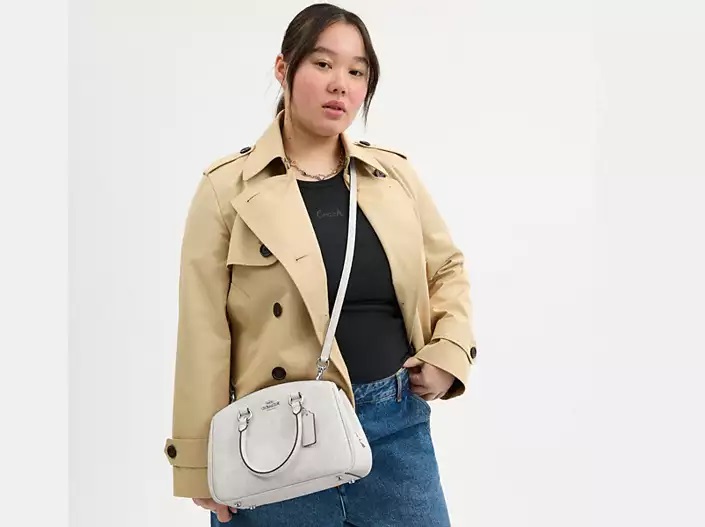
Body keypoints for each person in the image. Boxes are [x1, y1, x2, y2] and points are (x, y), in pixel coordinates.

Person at [163, 3, 478, 526]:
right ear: (283, 68)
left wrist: (449, 350)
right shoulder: (227, 190)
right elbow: (203, 331)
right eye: (323, 64)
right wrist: (199, 465)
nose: (340, 85)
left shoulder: (393, 178)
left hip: (395, 428)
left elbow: (446, 268)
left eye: (357, 72)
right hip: (274, 441)